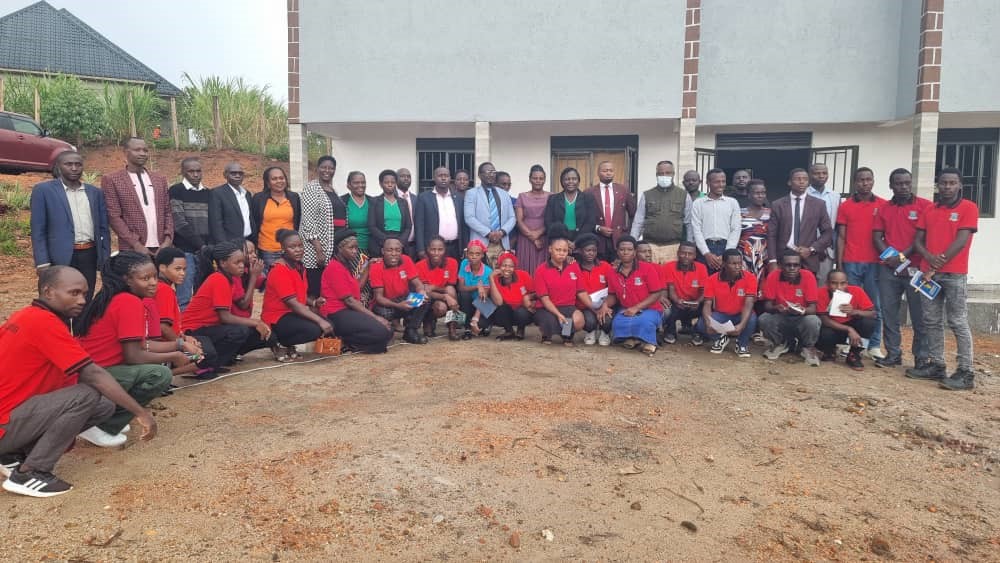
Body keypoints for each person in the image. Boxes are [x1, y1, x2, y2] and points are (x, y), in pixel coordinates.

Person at [0, 266, 157, 498]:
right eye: (73, 293)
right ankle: (31, 472)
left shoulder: (25, 315)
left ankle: (13, 454)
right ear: (48, 291)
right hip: (6, 423)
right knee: (87, 395)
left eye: (84, 293)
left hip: (13, 416)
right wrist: (141, 413)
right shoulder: (43, 322)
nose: (82, 300)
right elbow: (92, 374)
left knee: (103, 405)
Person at [73, 252, 184, 446]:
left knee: (151, 369)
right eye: (145, 278)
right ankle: (100, 425)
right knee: (159, 375)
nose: (153, 283)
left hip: (89, 370)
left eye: (154, 277)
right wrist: (175, 355)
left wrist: (179, 345)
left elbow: (139, 345)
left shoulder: (114, 297)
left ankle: (107, 416)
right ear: (127, 279)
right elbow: (134, 355)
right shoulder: (128, 302)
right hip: (94, 374)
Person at [906, 167, 979, 390]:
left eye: (952, 183)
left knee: (957, 321)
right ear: (938, 185)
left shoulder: (969, 208)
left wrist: (937, 263)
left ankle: (966, 371)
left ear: (960, 185)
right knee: (931, 320)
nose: (947, 187)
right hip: (928, 275)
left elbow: (961, 241)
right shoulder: (930, 209)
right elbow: (918, 241)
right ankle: (937, 365)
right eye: (944, 183)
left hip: (954, 274)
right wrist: (929, 258)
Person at [30, 150, 111, 301]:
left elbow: (103, 228)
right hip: (59, 256)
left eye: (78, 164)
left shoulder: (94, 192)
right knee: (59, 298)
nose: (74, 168)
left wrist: (105, 257)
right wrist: (42, 262)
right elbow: (38, 230)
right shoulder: (44, 191)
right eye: (68, 164)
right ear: (59, 167)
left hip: (89, 253)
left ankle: (83, 318)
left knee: (85, 296)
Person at [872, 168, 932, 369]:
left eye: (907, 183)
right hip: (889, 270)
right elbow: (877, 236)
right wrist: (891, 258)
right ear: (891, 186)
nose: (904, 187)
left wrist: (901, 257)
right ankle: (893, 353)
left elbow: (922, 238)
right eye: (899, 183)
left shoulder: (925, 206)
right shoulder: (884, 208)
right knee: (889, 313)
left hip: (917, 269)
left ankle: (921, 358)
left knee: (919, 316)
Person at [183, 241, 273, 368]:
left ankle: (222, 359)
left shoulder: (228, 279)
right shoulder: (219, 279)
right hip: (194, 329)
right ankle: (211, 364)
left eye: (242, 262)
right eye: (237, 263)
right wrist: (256, 322)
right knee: (239, 332)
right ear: (223, 263)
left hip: (211, 327)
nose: (241, 266)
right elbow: (225, 317)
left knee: (263, 335)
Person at [835, 167, 886, 359]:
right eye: (861, 180)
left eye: (868, 179)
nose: (865, 183)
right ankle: (849, 343)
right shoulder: (846, 206)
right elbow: (841, 237)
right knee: (848, 304)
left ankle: (874, 345)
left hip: (875, 263)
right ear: (855, 182)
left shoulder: (883, 205)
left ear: (873, 181)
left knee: (874, 305)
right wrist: (839, 264)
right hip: (850, 261)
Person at [262, 229, 332, 361]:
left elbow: (299, 295)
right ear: (283, 248)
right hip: (277, 317)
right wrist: (319, 320)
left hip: (292, 314)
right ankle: (278, 342)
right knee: (316, 328)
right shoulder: (279, 269)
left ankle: (287, 343)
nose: (298, 250)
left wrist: (313, 302)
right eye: (292, 247)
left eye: (300, 246)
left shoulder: (299, 266)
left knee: (328, 324)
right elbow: (293, 303)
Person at [319, 230, 393, 353]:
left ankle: (351, 343)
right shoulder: (334, 268)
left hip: (348, 311)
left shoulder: (345, 265)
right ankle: (342, 339)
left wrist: (368, 267)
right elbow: (349, 301)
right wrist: (376, 317)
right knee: (382, 332)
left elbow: (357, 288)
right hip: (336, 313)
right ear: (340, 249)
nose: (355, 251)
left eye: (356, 248)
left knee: (388, 332)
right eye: (351, 248)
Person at [100, 137, 173, 254]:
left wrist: (167, 240)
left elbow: (167, 211)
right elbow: (114, 216)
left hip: (161, 247)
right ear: (126, 152)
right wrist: (136, 244)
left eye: (145, 150)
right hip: (131, 248)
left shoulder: (159, 179)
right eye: (137, 150)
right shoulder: (112, 179)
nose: (142, 153)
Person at [153, 247, 217, 378]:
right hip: (164, 344)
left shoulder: (163, 287)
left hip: (170, 340)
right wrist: (183, 344)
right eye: (177, 269)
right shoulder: (164, 290)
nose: (182, 273)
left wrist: (185, 338)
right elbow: (163, 327)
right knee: (206, 356)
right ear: (162, 268)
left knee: (203, 344)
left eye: (184, 269)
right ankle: (166, 375)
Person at [759, 249, 822, 365]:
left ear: (800, 266)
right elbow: (767, 305)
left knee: (813, 320)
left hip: (801, 317)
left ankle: (807, 347)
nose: (792, 268)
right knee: (764, 318)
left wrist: (802, 310)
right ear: (781, 266)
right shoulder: (773, 276)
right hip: (781, 315)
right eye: (788, 265)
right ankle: (780, 344)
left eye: (796, 265)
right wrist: (776, 308)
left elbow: (813, 309)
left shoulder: (808, 276)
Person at [603, 236, 664, 356]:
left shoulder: (647, 268)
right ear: (617, 251)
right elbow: (612, 295)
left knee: (644, 321)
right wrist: (605, 305)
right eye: (622, 249)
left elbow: (656, 293)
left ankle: (650, 342)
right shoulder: (612, 272)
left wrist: (637, 308)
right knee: (617, 322)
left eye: (629, 249)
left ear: (635, 252)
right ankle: (635, 339)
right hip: (626, 309)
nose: (625, 252)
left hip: (650, 308)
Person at [767, 168, 833, 275]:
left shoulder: (819, 204)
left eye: (805, 179)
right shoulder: (778, 205)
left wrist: (811, 249)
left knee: (808, 285)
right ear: (789, 182)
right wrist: (772, 261)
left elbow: (828, 232)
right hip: (783, 259)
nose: (802, 182)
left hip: (808, 258)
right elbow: (771, 235)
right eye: (798, 179)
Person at [533, 227, 592, 345]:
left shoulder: (573, 266)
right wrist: (558, 314)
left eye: (564, 250)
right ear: (550, 249)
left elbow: (581, 291)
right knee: (550, 321)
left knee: (578, 320)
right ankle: (547, 334)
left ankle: (566, 335)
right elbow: (545, 299)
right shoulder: (541, 270)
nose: (561, 253)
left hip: (568, 306)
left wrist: (595, 308)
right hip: (547, 307)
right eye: (558, 250)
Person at [300, 156, 347, 298]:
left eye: (331, 168)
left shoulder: (332, 189)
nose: (327, 170)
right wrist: (319, 250)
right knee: (315, 288)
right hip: (317, 248)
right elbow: (308, 220)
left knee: (328, 288)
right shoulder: (311, 188)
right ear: (317, 169)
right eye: (324, 167)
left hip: (332, 245)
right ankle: (314, 311)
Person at [697, 249, 758, 358]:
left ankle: (742, 344)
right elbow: (707, 304)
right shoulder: (712, 279)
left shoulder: (750, 278)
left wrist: (741, 325)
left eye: (739, 263)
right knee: (702, 324)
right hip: (722, 315)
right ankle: (720, 338)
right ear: (724, 264)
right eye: (733, 263)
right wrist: (708, 323)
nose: (737, 266)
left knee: (752, 318)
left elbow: (749, 304)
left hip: (741, 314)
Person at [167, 157, 211, 309]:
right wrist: (201, 245)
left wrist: (207, 247)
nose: (196, 174)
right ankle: (181, 323)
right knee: (184, 296)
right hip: (185, 251)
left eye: (198, 171)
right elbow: (179, 223)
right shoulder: (176, 190)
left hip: (205, 252)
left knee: (202, 295)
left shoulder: (208, 193)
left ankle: (197, 323)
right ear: (183, 172)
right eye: (191, 171)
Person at [369, 237, 429, 345]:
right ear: (383, 251)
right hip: (387, 303)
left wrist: (421, 291)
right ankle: (388, 330)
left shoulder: (406, 260)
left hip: (404, 298)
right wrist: (398, 305)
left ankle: (410, 331)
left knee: (424, 299)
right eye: (390, 250)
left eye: (397, 250)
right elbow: (379, 297)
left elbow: (417, 283)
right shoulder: (376, 266)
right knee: (383, 313)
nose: (394, 254)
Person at [631, 160, 692, 264]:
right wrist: (632, 244)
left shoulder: (684, 195)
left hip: (674, 247)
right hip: (650, 247)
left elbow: (689, 223)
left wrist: (689, 246)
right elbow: (638, 222)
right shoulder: (647, 195)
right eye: (661, 173)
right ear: (656, 175)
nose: (664, 176)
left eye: (668, 173)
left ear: (673, 174)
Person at [816, 269, 877, 371]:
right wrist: (849, 329)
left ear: (847, 283)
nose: (839, 287)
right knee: (824, 332)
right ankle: (829, 351)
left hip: (853, 327)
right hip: (833, 328)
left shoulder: (857, 291)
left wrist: (854, 311)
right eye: (834, 283)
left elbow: (872, 313)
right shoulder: (821, 292)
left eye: (842, 283)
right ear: (827, 283)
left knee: (869, 323)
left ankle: (854, 354)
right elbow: (824, 319)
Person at [690, 168, 742, 274]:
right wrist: (706, 253)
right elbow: (696, 230)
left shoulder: (732, 203)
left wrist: (726, 254)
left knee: (724, 280)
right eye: (717, 182)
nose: (721, 185)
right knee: (704, 280)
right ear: (708, 183)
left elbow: (736, 229)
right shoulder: (698, 203)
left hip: (726, 247)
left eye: (723, 181)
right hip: (704, 248)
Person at [464, 161, 516, 265]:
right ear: (479, 175)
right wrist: (488, 233)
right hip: (481, 242)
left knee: (501, 273)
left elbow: (512, 217)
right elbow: (469, 218)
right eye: (488, 172)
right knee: (482, 273)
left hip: (502, 243)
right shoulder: (471, 193)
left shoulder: (504, 194)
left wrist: (502, 232)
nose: (491, 174)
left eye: (493, 172)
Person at [252, 167, 301, 270]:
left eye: (281, 178)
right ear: (268, 183)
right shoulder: (259, 199)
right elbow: (254, 222)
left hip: (291, 249)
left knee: (290, 276)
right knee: (272, 276)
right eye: (274, 179)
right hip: (267, 249)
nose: (279, 181)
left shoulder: (294, 197)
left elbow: (298, 221)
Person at [661, 241, 709, 345]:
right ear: (678, 253)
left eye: (690, 254)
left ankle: (698, 331)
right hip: (676, 302)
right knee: (668, 308)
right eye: (683, 253)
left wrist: (697, 301)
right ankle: (670, 331)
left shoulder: (701, 268)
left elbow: (704, 290)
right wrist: (677, 301)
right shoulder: (668, 267)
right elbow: (671, 289)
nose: (686, 256)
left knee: (708, 306)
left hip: (695, 303)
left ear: (695, 256)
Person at [588, 160, 636, 261]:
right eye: (605, 171)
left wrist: (629, 233)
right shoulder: (589, 192)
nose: (608, 173)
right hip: (598, 240)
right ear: (598, 173)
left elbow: (633, 214)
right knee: (600, 268)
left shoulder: (623, 190)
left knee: (618, 268)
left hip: (619, 240)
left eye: (611, 170)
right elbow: (585, 218)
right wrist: (598, 228)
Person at [415, 167, 465, 261]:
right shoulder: (424, 198)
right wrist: (420, 249)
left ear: (450, 178)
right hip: (434, 249)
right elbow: (419, 225)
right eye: (440, 176)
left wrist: (464, 247)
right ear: (434, 178)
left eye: (446, 176)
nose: (443, 178)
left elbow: (463, 224)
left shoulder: (458, 197)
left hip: (455, 247)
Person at [415, 236, 461, 340]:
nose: (436, 253)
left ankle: (452, 326)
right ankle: (428, 320)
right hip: (428, 299)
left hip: (443, 294)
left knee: (451, 290)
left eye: (440, 249)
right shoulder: (419, 265)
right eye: (433, 249)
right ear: (428, 250)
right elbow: (425, 290)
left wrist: (435, 287)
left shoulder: (452, 262)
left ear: (445, 250)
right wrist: (444, 296)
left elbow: (450, 285)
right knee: (440, 306)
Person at [574, 234, 613, 346]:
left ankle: (605, 333)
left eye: (594, 250)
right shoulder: (575, 268)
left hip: (603, 303)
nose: (591, 253)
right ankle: (590, 332)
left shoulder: (605, 266)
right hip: (584, 306)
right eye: (588, 250)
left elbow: (613, 288)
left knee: (607, 319)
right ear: (580, 251)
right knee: (590, 321)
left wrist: (605, 305)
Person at [807, 163, 841, 284]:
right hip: (806, 247)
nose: (821, 176)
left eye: (824, 173)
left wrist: (825, 246)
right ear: (810, 175)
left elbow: (836, 225)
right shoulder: (804, 194)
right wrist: (815, 247)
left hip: (827, 249)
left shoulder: (835, 196)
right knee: (807, 283)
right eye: (817, 173)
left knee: (824, 284)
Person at [489, 251, 534, 341]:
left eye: (511, 266)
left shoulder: (523, 275)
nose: (507, 269)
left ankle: (520, 330)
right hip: (508, 313)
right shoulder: (496, 278)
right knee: (501, 309)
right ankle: (509, 331)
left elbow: (535, 293)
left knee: (521, 312)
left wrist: (528, 298)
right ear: (499, 266)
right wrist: (491, 279)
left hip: (523, 311)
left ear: (514, 267)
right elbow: (499, 302)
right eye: (504, 265)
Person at [544, 167, 597, 241]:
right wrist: (562, 240)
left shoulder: (588, 198)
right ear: (562, 181)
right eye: (567, 179)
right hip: (559, 240)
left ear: (578, 181)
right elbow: (548, 222)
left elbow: (590, 222)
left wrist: (577, 241)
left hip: (582, 240)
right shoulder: (553, 199)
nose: (570, 181)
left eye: (574, 179)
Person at [515, 164, 551, 274]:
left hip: (544, 237)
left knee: (543, 269)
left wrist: (539, 233)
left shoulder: (551, 196)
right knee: (525, 267)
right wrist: (533, 238)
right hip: (525, 237)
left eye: (541, 178)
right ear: (530, 179)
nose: (538, 181)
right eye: (535, 178)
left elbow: (552, 219)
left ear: (544, 180)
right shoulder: (522, 196)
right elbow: (519, 220)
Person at [368, 170, 413, 257]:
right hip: (380, 244)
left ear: (396, 184)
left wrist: (400, 242)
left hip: (400, 243)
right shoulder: (374, 201)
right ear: (381, 184)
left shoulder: (403, 202)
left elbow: (408, 226)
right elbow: (372, 226)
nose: (390, 184)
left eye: (393, 182)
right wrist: (387, 241)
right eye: (386, 182)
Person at [209, 162, 254, 245]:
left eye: (240, 173)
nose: (237, 176)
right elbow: (216, 223)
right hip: (230, 243)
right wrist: (224, 245)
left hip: (248, 241)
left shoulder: (247, 194)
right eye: (233, 173)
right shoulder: (217, 193)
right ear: (225, 175)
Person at [457, 240, 493, 338]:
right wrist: (477, 286)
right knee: (464, 295)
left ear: (482, 255)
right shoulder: (464, 263)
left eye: (477, 254)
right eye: (471, 253)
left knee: (481, 325)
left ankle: (483, 324)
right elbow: (461, 288)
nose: (474, 256)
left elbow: (484, 298)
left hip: (482, 304)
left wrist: (475, 319)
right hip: (468, 303)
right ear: (467, 254)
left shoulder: (488, 271)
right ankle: (467, 328)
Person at [738, 180, 771, 285]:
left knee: (763, 286)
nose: (761, 196)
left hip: (765, 256)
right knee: (744, 285)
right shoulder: (739, 213)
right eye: (757, 193)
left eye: (763, 193)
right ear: (748, 194)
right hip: (743, 256)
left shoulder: (771, 213)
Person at [344, 171, 374, 254]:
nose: (360, 185)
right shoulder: (343, 202)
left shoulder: (373, 202)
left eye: (363, 182)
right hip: (350, 251)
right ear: (348, 185)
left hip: (372, 249)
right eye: (356, 183)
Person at [396, 168, 418, 257]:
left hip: (413, 245)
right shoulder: (391, 198)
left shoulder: (416, 199)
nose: (406, 179)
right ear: (396, 179)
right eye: (402, 176)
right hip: (396, 245)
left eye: (408, 176)